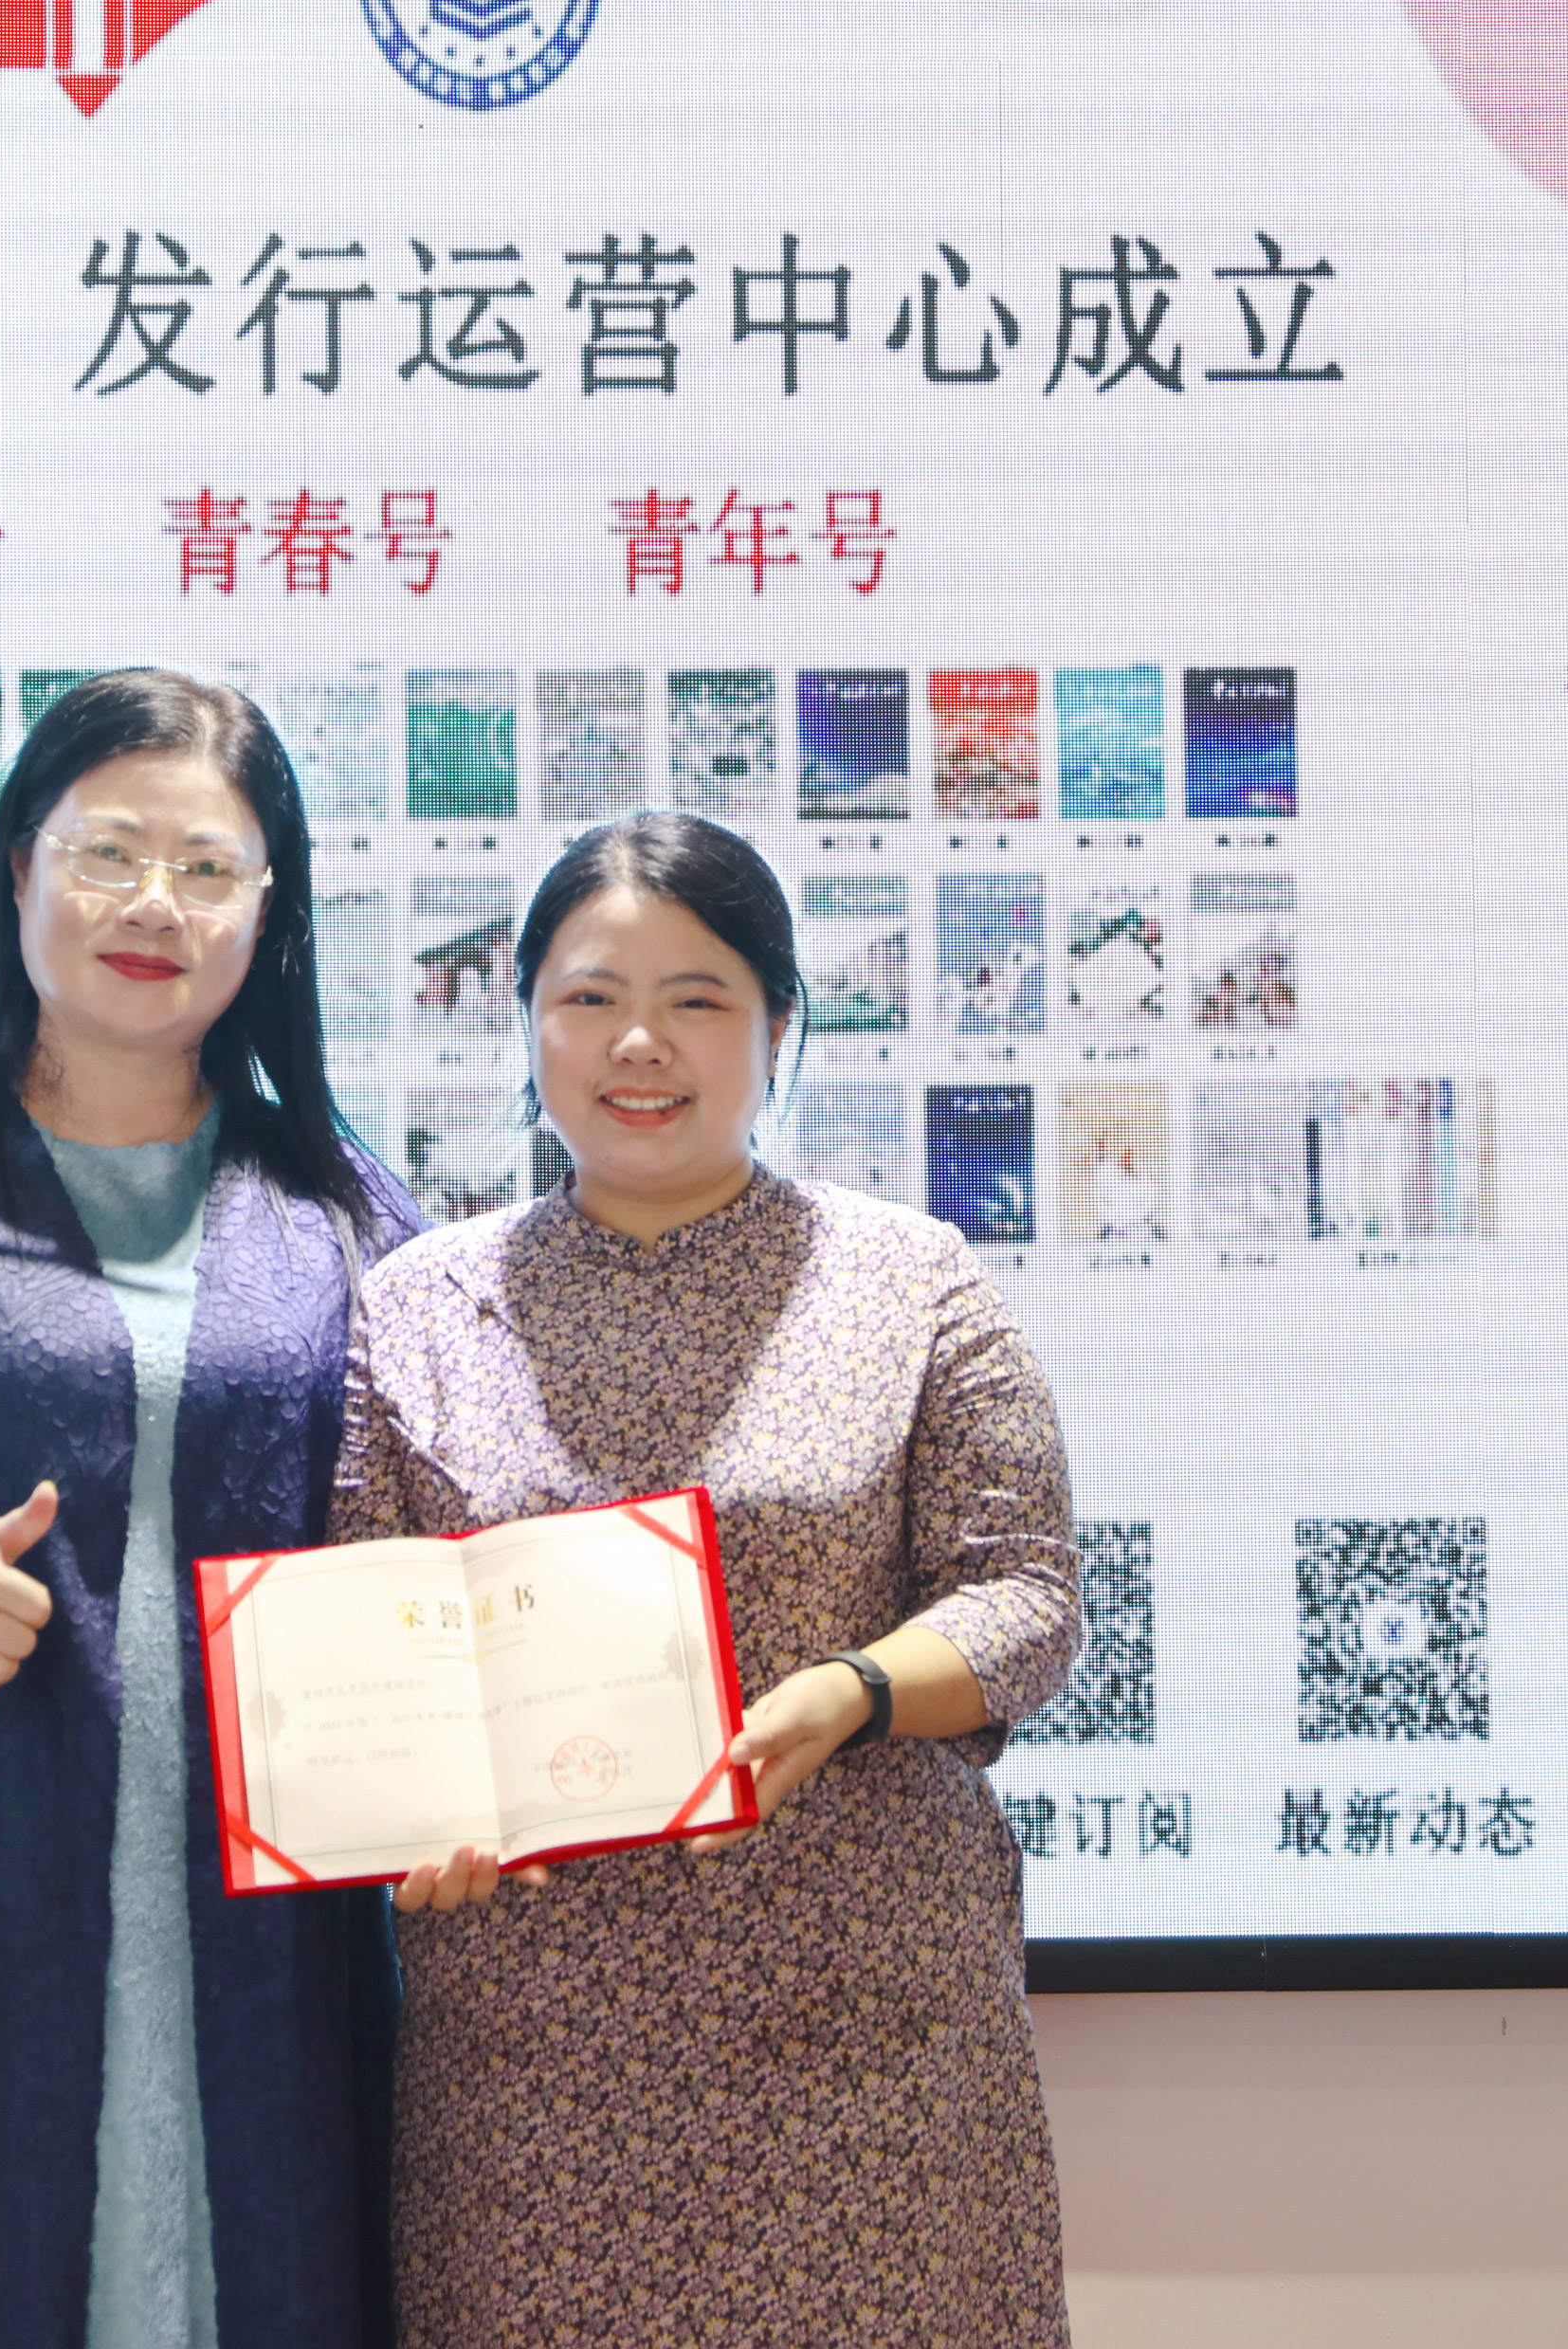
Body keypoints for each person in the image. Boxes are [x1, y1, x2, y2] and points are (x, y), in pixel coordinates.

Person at [0, 670, 425, 2349]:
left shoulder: (342, 1203)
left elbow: (428, 1525)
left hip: (279, 1907)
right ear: (20, 867)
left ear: (270, 913)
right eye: (109, 852)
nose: (154, 906)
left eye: (208, 868)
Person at [335, 810, 1083, 2346]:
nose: (640, 1044)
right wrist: (410, 1809)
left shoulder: (911, 1278)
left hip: (864, 2032)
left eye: (697, 999)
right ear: (526, 1019)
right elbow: (367, 1635)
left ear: (778, 1025)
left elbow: (1027, 1596)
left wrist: (853, 1692)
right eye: (590, 997)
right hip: (536, 2061)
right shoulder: (416, 1306)